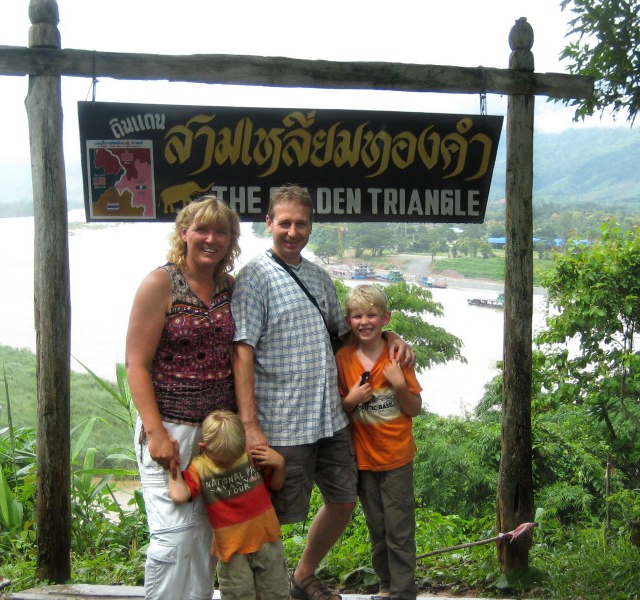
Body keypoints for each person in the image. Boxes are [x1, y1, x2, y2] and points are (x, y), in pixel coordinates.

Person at [231, 184, 414, 600]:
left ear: (311, 226)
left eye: (301, 224)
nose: (293, 231)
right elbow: (242, 353)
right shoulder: (254, 278)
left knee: (344, 498)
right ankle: (266, 589)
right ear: (269, 224)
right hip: (282, 420)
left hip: (331, 416)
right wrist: (250, 425)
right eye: (285, 223)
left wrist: (391, 333)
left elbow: (348, 334)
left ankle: (302, 576)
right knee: (274, 514)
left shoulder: (316, 277)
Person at [125, 196, 241, 600]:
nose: (211, 238)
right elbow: (136, 364)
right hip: (169, 428)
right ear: (184, 233)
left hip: (217, 436)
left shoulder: (231, 287)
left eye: (221, 231)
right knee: (173, 539)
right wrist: (155, 433)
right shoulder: (161, 283)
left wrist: (387, 336)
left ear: (231, 239)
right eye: (202, 230)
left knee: (204, 539)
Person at [337, 284, 423, 600]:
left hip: (397, 457)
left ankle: (403, 591)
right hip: (364, 459)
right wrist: (351, 400)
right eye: (357, 316)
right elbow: (339, 408)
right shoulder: (343, 359)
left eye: (372, 315)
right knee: (378, 527)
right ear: (348, 321)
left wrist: (400, 386)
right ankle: (386, 586)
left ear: (386, 318)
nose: (365, 321)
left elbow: (414, 408)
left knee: (400, 528)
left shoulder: (397, 356)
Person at [168, 410, 290, 600]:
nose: (230, 461)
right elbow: (179, 494)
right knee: (238, 595)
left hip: (267, 541)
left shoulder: (251, 454)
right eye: (223, 459)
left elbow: (275, 485)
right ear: (204, 447)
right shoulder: (200, 467)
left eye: (235, 455)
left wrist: (280, 464)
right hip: (231, 552)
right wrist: (172, 464)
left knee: (277, 594)